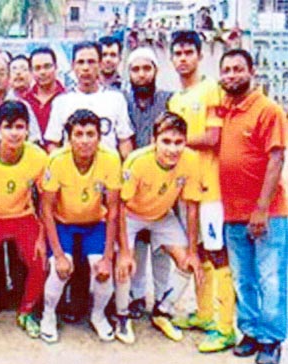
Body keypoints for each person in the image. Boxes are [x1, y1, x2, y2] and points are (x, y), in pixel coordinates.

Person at [166, 30, 236, 353]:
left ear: (199, 55)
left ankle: (225, 327)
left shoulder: (212, 90)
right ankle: (205, 314)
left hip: (212, 187)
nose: (183, 58)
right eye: (177, 53)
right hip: (187, 189)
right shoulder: (175, 100)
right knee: (201, 251)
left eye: (188, 53)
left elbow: (213, 138)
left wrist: (173, 141)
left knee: (218, 251)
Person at [218, 49, 287, 364]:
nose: (231, 75)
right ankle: (249, 331)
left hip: (267, 213)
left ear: (251, 72)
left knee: (270, 278)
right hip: (232, 212)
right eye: (227, 70)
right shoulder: (227, 110)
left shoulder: (268, 110)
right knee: (242, 277)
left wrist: (260, 209)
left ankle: (271, 340)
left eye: (237, 69)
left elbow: (276, 159)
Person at [117, 111, 203, 343]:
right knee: (124, 263)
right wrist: (125, 251)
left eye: (178, 142)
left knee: (188, 262)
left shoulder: (191, 160)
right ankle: (122, 315)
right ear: (154, 141)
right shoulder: (137, 160)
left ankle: (163, 310)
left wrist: (194, 251)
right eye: (166, 141)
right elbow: (120, 207)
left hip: (162, 216)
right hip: (132, 215)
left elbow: (192, 206)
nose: (172, 149)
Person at [39, 109, 120, 343]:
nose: (85, 141)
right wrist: (58, 254)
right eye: (79, 134)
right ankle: (48, 315)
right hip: (63, 223)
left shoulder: (111, 158)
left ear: (99, 137)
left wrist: (107, 257)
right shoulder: (56, 160)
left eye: (90, 134)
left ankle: (98, 315)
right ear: (69, 137)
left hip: (95, 223)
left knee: (102, 271)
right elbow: (46, 209)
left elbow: (113, 209)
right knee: (60, 269)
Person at [0, 100, 47, 340]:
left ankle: (27, 311)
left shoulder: (38, 157)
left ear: (28, 129)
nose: (14, 133)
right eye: (8, 126)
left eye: (20, 127)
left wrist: (42, 236)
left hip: (23, 215)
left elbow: (44, 199)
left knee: (39, 261)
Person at [122, 47, 173, 320]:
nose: (141, 75)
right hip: (133, 183)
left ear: (155, 71)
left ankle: (163, 301)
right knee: (137, 245)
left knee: (161, 246)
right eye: (135, 69)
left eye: (146, 69)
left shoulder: (169, 100)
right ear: (129, 73)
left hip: (164, 183)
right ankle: (136, 297)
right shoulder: (123, 100)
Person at [44, 41, 134, 158]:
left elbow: (124, 141)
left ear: (100, 64)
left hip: (107, 171)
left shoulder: (116, 99)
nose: (85, 68)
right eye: (80, 62)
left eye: (91, 62)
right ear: (73, 66)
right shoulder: (61, 102)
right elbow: (53, 143)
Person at [23, 47, 66, 144]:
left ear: (56, 67)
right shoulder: (24, 102)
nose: (42, 72)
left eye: (47, 66)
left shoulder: (68, 99)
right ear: (31, 71)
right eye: (37, 68)